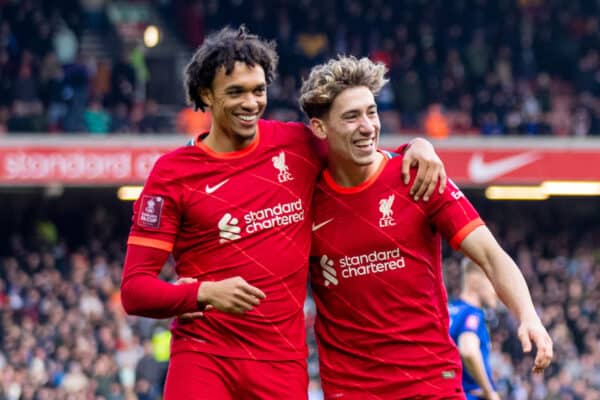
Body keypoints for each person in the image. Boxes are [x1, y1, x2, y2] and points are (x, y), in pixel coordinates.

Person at [120, 26, 447, 400]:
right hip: (204, 357)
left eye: (258, 90)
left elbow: (361, 152)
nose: (251, 103)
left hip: (281, 365)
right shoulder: (173, 173)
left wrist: (415, 146)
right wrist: (203, 293)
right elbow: (134, 291)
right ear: (206, 95)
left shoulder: (297, 144)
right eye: (236, 92)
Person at [299, 56, 553, 399]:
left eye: (371, 112)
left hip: (432, 384)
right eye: (351, 116)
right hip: (352, 390)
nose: (367, 126)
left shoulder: (418, 177)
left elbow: (492, 256)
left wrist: (528, 315)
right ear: (319, 128)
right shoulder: (304, 199)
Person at [449, 259, 500, 400]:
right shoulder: (472, 314)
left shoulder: (450, 311)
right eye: (492, 283)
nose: (497, 291)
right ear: (475, 280)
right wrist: (489, 391)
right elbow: (469, 351)